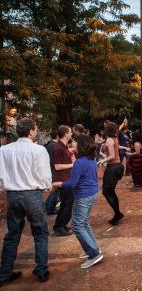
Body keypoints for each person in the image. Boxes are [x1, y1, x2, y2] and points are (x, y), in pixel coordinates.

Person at [0, 118, 52, 285]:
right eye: (35, 129)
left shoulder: (4, 150)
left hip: (13, 195)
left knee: (12, 234)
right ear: (31, 131)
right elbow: (44, 176)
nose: (36, 132)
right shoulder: (39, 150)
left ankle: (5, 272)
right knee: (40, 232)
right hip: (32, 194)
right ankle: (41, 270)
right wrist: (47, 186)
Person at [52, 134, 103, 269]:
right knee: (83, 223)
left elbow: (73, 183)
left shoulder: (79, 162)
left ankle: (94, 254)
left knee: (77, 226)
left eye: (75, 141)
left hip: (83, 196)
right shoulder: (91, 159)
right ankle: (93, 249)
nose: (72, 142)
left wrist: (58, 184)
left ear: (80, 146)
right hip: (91, 193)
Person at [98, 122, 125, 225]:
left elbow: (112, 156)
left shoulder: (110, 139)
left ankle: (117, 214)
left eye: (105, 128)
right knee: (110, 192)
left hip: (113, 167)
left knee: (106, 192)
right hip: (117, 166)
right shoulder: (114, 138)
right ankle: (117, 214)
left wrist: (102, 161)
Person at [52, 125, 75, 236]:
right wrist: (73, 165)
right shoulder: (58, 148)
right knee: (68, 204)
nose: (71, 134)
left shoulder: (63, 147)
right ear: (65, 134)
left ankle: (61, 225)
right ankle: (59, 226)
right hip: (63, 180)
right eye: (70, 132)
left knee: (66, 204)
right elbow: (57, 166)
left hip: (67, 179)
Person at [45, 129, 59, 215]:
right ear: (57, 136)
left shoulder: (49, 144)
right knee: (55, 190)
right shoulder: (54, 145)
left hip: (51, 168)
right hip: (54, 169)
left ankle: (46, 206)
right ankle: (50, 209)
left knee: (54, 190)